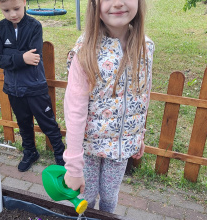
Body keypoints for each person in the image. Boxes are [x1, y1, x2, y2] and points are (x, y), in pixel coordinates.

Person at [63, 0, 154, 213]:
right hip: (89, 148)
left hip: (121, 149)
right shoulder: (85, 50)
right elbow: (74, 110)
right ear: (94, 4)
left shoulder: (146, 47)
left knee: (110, 198)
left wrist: (139, 134)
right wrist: (74, 167)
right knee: (86, 197)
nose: (118, 3)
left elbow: (143, 96)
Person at [0, 0, 65, 172]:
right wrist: (20, 58)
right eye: (6, 10)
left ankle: (61, 155)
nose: (13, 14)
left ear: (24, 2)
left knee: (48, 123)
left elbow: (34, 57)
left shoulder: (34, 26)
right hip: (13, 88)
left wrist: (10, 55)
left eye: (16, 8)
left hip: (34, 87)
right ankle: (30, 152)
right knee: (23, 123)